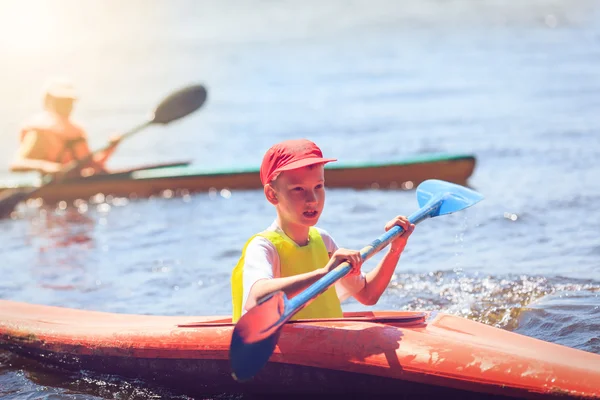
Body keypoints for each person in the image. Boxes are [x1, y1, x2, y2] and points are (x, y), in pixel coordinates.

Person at [231, 138, 415, 322]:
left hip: (326, 345)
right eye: (298, 189)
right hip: (284, 349)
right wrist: (325, 274)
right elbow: (256, 298)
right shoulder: (263, 247)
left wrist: (395, 248)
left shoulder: (324, 241)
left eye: (318, 187)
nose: (312, 199)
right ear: (272, 194)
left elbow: (368, 294)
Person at [10, 78, 120, 179]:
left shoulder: (75, 130)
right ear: (49, 101)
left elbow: (92, 165)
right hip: (52, 188)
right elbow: (17, 164)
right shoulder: (39, 132)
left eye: (69, 101)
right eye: (61, 101)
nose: (66, 105)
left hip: (81, 184)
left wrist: (110, 147)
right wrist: (48, 167)